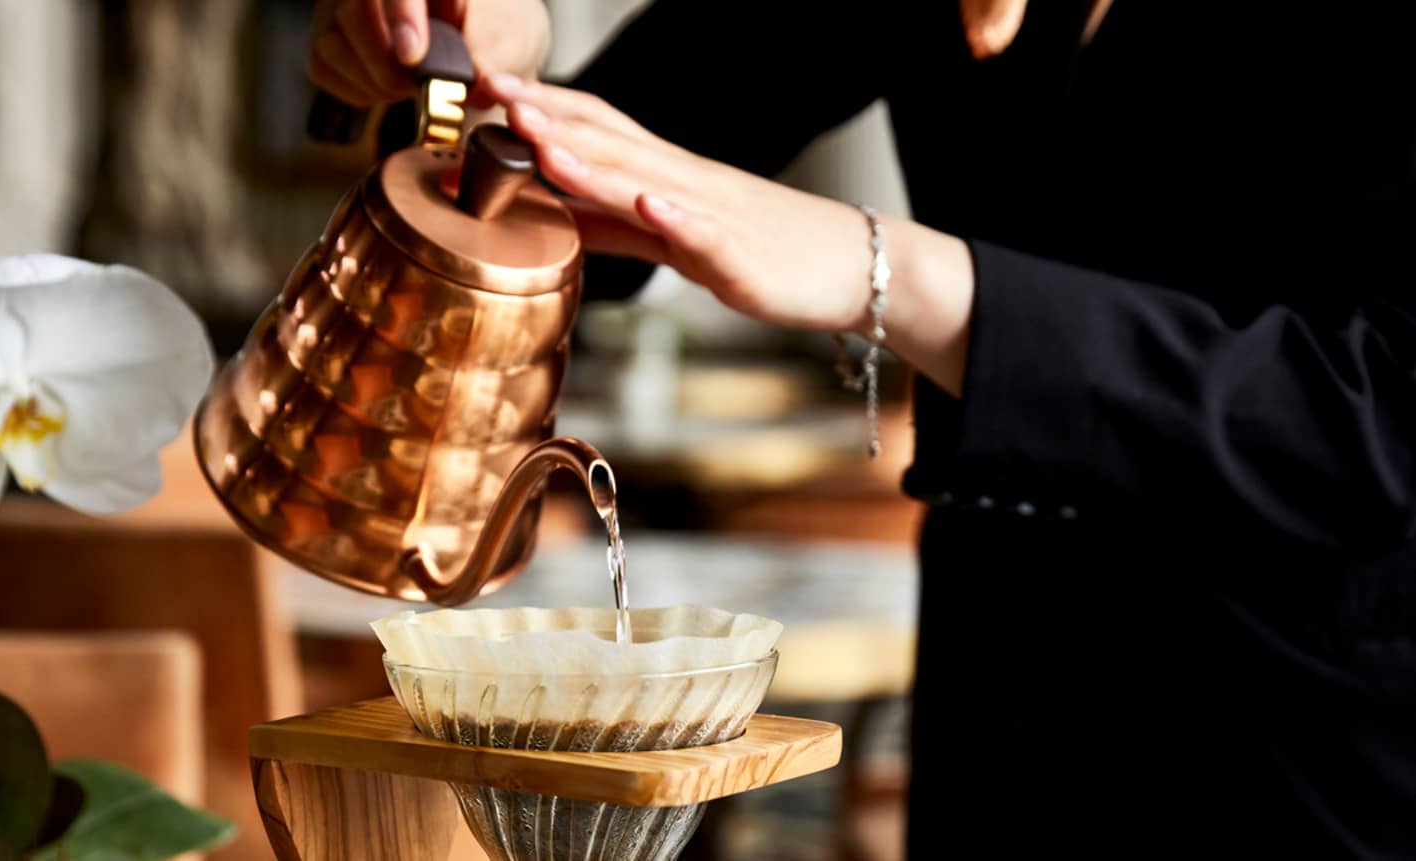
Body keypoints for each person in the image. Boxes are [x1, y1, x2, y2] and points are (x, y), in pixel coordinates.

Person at [309, 1, 1416, 855]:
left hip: (1330, 740)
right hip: (1005, 699)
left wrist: (889, 271)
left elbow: (1379, 421)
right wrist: (485, 56)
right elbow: (608, 180)